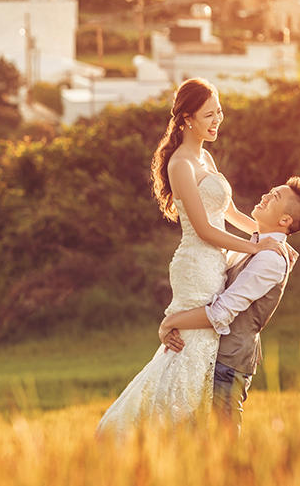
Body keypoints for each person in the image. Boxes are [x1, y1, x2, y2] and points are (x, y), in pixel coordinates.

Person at [95, 77, 287, 438]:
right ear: (186, 118)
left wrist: (270, 237)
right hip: (196, 263)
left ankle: (194, 426)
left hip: (216, 259)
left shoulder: (206, 156)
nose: (217, 121)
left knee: (202, 342)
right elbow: (203, 229)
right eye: (209, 115)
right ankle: (159, 426)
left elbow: (229, 212)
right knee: (191, 344)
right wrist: (256, 247)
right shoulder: (181, 165)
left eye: (219, 113)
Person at [159, 176, 300, 432]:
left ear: (285, 220)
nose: (265, 196)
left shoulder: (271, 259)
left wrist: (170, 322)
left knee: (225, 447)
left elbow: (222, 313)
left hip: (227, 364)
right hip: (211, 356)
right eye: (270, 191)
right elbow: (229, 212)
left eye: (274, 197)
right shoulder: (255, 245)